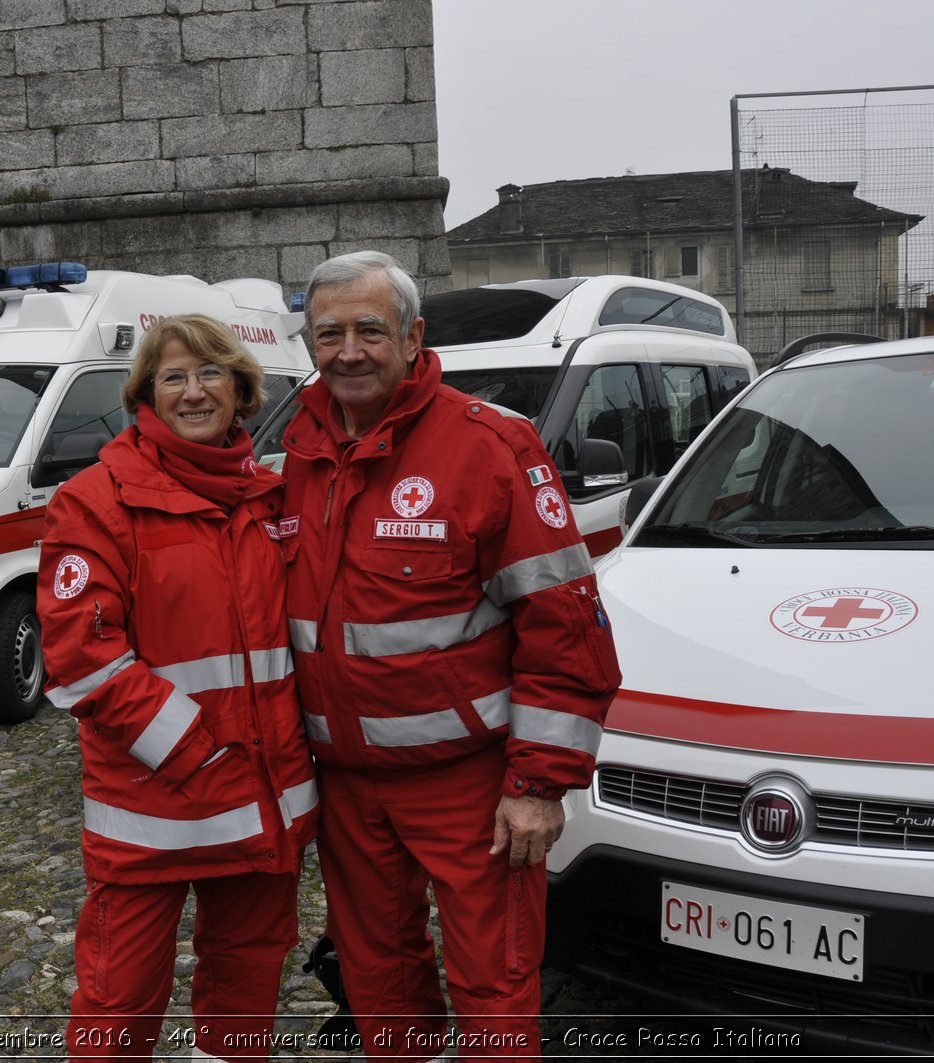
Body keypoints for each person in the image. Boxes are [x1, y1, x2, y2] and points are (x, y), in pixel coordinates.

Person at [278, 251, 621, 1061]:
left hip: (470, 785)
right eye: (330, 334)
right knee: (381, 987)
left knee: (494, 988)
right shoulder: (295, 455)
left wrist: (538, 784)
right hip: (349, 789)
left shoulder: (491, 446)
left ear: (412, 336)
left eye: (370, 329)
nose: (349, 350)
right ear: (309, 344)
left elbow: (565, 630)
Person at [39, 314, 319, 1062]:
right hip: (154, 807)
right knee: (118, 1000)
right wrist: (195, 753)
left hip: (263, 802)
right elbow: (81, 654)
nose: (194, 391)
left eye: (210, 374)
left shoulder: (270, 497)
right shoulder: (95, 499)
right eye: (173, 376)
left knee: (246, 989)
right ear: (146, 394)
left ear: (241, 389)